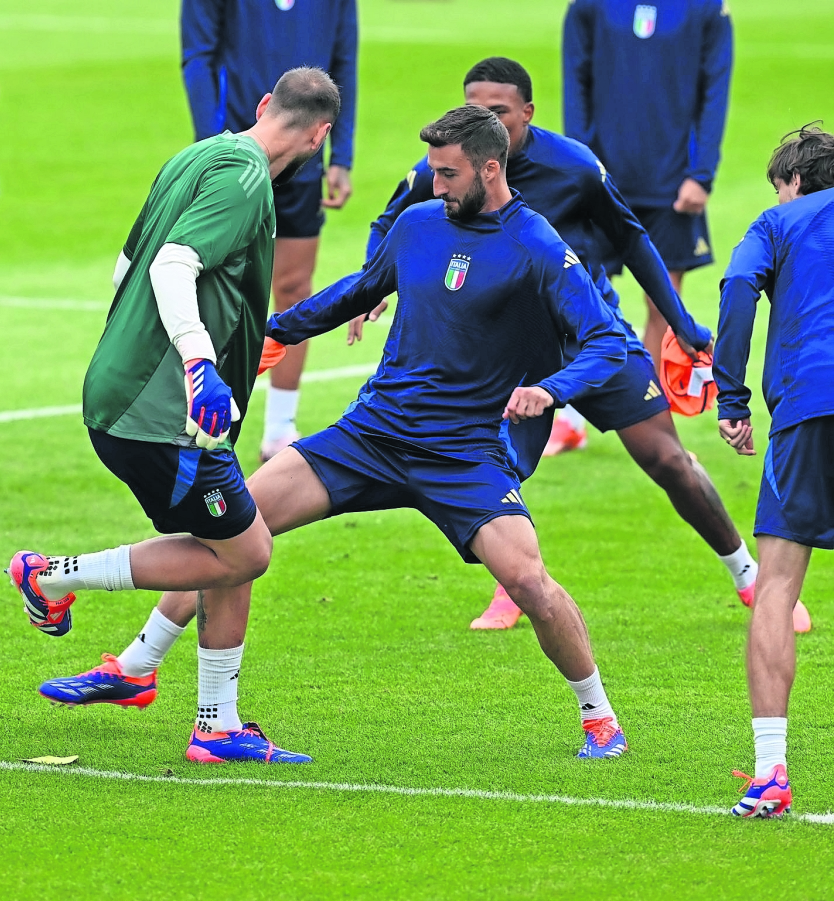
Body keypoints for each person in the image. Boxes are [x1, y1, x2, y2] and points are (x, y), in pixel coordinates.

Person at [34, 105, 634, 760]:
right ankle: (139, 664)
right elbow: (358, 290)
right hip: (370, 433)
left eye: (446, 174)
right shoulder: (418, 225)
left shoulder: (539, 245)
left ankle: (599, 715)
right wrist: (275, 331)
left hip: (462, 452)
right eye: (432, 172)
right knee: (235, 532)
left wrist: (551, 389)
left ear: (491, 170)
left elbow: (606, 340)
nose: (434, 186)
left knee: (528, 580)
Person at [351, 57, 807, 634]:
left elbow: (633, 242)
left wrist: (681, 323)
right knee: (500, 464)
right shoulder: (445, 169)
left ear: (528, 113)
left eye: (498, 111)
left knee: (667, 459)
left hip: (592, 338)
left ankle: (750, 578)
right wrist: (373, 283)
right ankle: (511, 589)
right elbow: (387, 221)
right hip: (509, 352)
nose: (484, 119)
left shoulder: (574, 167)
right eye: (474, 108)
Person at [9, 68, 340, 764]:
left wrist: (215, 344)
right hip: (164, 412)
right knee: (245, 551)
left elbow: (125, 265)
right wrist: (196, 362)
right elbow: (170, 264)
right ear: (321, 135)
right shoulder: (247, 178)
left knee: (231, 545)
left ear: (261, 106)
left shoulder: (197, 154)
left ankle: (209, 718)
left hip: (132, 395)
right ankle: (51, 576)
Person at [715, 125, 834, 818]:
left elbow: (736, 285)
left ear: (791, 181)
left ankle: (770, 773)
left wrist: (730, 395)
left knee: (778, 588)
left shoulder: (777, 220)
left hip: (810, 407)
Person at [181, 0, 357, 461]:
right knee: (219, 289)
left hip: (305, 155)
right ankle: (201, 420)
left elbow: (344, 60)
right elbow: (198, 55)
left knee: (295, 285)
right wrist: (213, 145)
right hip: (238, 149)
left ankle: (280, 426)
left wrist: (341, 154)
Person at [561, 0, 733, 454]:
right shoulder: (589, 7)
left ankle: (657, 431)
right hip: (601, 175)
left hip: (672, 180)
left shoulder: (708, 9)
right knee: (580, 298)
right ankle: (569, 417)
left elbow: (715, 89)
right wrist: (578, 164)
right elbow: (574, 81)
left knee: (662, 305)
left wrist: (702, 172)